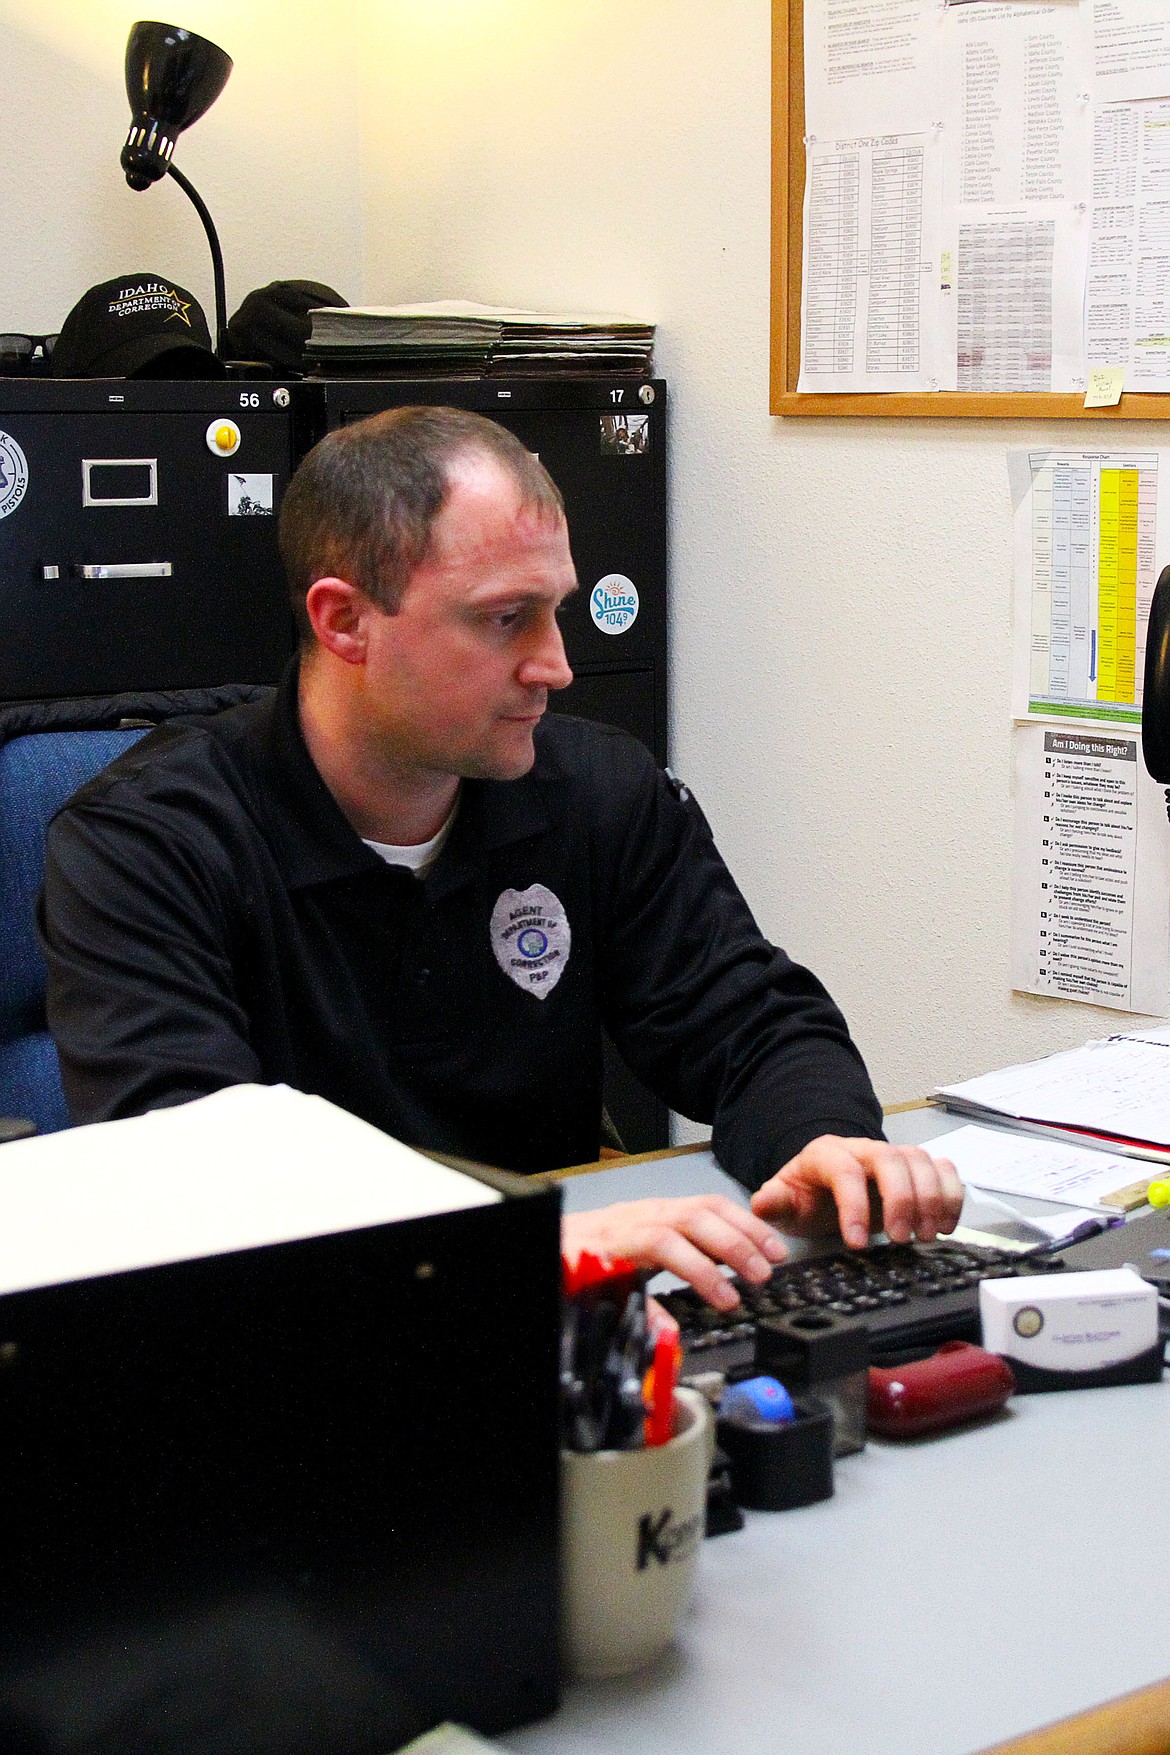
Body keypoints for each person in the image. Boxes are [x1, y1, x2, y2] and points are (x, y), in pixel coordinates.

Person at [40, 407, 961, 1309]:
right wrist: (523, 1248)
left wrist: (824, 1141)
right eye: (505, 619)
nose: (556, 665)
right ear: (344, 620)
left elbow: (751, 1021)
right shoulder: (147, 843)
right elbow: (190, 1174)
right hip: (305, 1339)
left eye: (554, 611)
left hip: (555, 1331)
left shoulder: (597, 790)